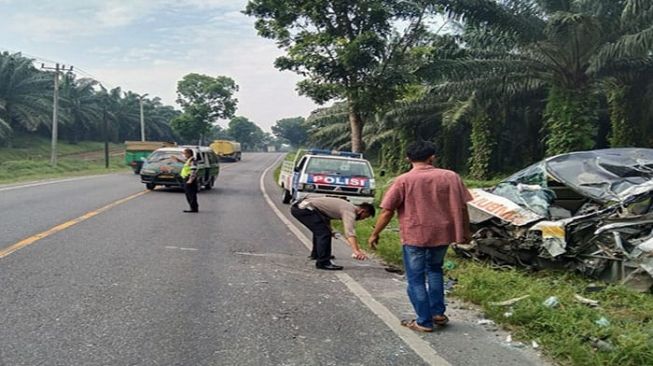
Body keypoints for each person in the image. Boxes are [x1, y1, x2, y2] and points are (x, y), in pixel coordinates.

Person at [368, 141, 472, 333]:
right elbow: (463, 207)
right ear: (432, 157)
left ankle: (424, 321)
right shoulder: (451, 177)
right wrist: (465, 232)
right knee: (435, 270)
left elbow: (387, 211)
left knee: (415, 279)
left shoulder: (403, 180)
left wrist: (375, 233)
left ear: (408, 159)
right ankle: (437, 313)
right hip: (443, 234)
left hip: (415, 235)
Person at [291, 196, 375, 270]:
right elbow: (350, 232)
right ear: (362, 211)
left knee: (323, 231)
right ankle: (323, 262)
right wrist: (356, 251)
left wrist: (330, 230)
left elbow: (324, 216)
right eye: (366, 216)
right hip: (304, 209)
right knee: (323, 234)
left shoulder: (347, 206)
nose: (363, 219)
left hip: (302, 207)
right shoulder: (350, 211)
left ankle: (317, 254)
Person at [171, 148, 199, 213]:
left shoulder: (193, 160)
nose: (184, 155)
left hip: (189, 179)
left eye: (185, 153)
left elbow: (193, 171)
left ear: (189, 154)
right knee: (188, 194)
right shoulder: (189, 160)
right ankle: (192, 208)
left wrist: (190, 180)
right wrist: (178, 160)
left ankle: (194, 209)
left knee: (191, 194)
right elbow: (186, 164)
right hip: (186, 178)